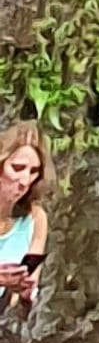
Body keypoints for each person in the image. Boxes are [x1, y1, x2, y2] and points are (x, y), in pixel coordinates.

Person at [0, 123, 51, 316]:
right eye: (18, 168)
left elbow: (29, 282)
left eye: (33, 171)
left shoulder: (36, 219)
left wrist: (26, 291)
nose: (24, 180)